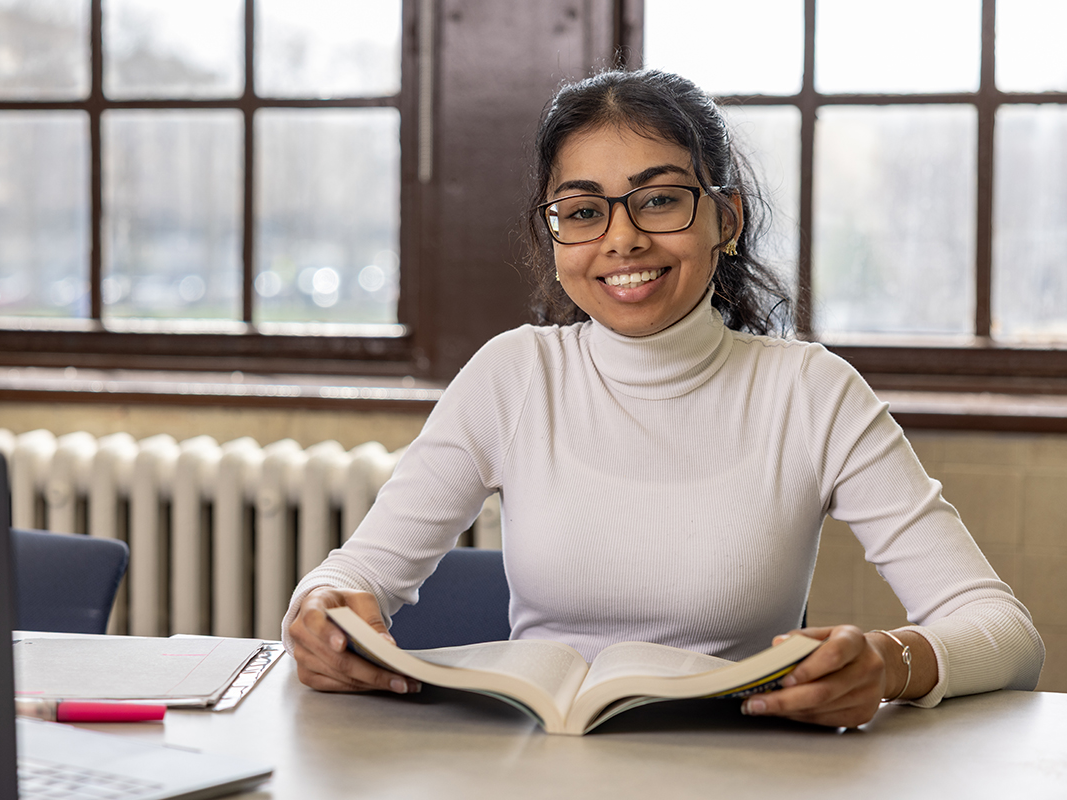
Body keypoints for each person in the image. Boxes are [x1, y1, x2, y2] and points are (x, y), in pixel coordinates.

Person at [283, 69, 1044, 728]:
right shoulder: (512, 375)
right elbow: (355, 575)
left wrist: (889, 662)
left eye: (660, 200)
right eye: (583, 211)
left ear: (727, 219)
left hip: (739, 767)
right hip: (536, 768)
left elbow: (1005, 633)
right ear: (555, 235)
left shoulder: (811, 391)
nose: (622, 240)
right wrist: (318, 612)